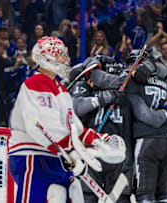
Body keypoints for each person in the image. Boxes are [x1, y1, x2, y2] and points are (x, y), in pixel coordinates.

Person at [8, 37, 125, 203]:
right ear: (48, 57)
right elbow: (45, 126)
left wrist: (98, 140)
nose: (66, 60)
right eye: (61, 55)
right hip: (33, 157)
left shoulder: (60, 89)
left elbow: (73, 128)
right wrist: (71, 152)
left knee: (71, 194)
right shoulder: (36, 83)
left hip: (54, 158)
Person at [69, 56, 131, 202]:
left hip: (119, 152)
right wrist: (102, 99)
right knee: (88, 195)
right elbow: (77, 106)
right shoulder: (85, 86)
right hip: (93, 150)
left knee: (120, 197)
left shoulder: (126, 91)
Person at [126, 50, 167, 203]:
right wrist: (165, 113)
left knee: (145, 194)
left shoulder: (132, 82)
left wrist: (159, 117)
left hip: (147, 140)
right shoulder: (161, 80)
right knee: (163, 195)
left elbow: (145, 116)